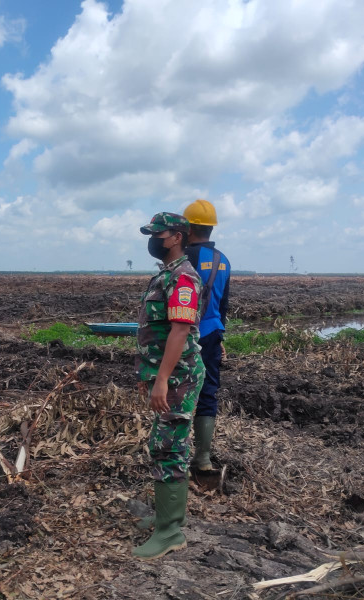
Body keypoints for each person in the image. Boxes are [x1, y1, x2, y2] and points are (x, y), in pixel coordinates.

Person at [134, 212, 205, 560]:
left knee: (168, 446)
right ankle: (166, 518)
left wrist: (163, 378)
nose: (152, 240)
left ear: (176, 236)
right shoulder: (167, 275)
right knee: (164, 443)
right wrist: (151, 376)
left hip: (179, 376)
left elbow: (179, 331)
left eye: (157, 234)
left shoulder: (184, 279)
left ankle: (170, 532)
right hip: (168, 375)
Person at [182, 199, 231, 476]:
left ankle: (176, 454)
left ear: (188, 228)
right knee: (208, 392)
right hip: (212, 332)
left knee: (178, 390)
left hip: (184, 333)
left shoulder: (182, 258)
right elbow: (224, 304)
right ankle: (203, 459)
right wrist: (220, 336)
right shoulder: (223, 260)